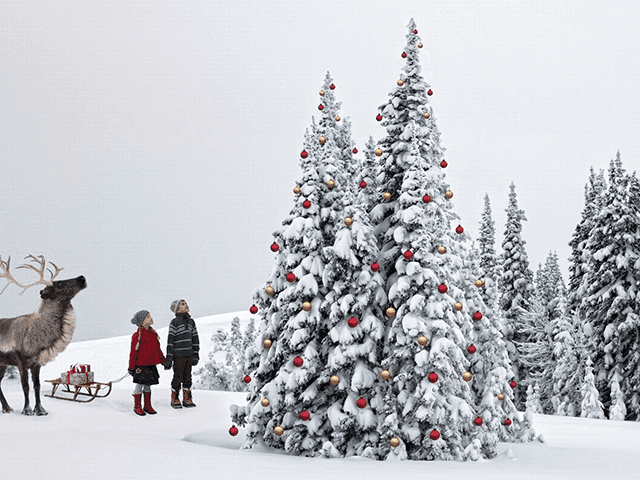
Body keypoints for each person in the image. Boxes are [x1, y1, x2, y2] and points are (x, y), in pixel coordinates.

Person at [128, 310, 166, 416]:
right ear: (142, 322)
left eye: (150, 316)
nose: (151, 318)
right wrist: (131, 367)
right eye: (148, 317)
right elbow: (133, 353)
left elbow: (158, 350)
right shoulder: (137, 336)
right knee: (140, 384)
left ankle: (147, 405)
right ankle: (137, 406)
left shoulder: (153, 334)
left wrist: (163, 360)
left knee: (148, 385)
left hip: (150, 365)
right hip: (141, 365)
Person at [164, 299, 200, 408]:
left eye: (186, 303)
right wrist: (169, 357)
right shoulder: (174, 322)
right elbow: (170, 340)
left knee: (188, 377)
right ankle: (174, 397)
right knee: (178, 376)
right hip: (178, 355)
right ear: (177, 309)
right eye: (183, 304)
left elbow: (195, 338)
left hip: (189, 354)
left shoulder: (191, 322)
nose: (186, 305)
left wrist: (196, 354)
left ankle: (187, 398)